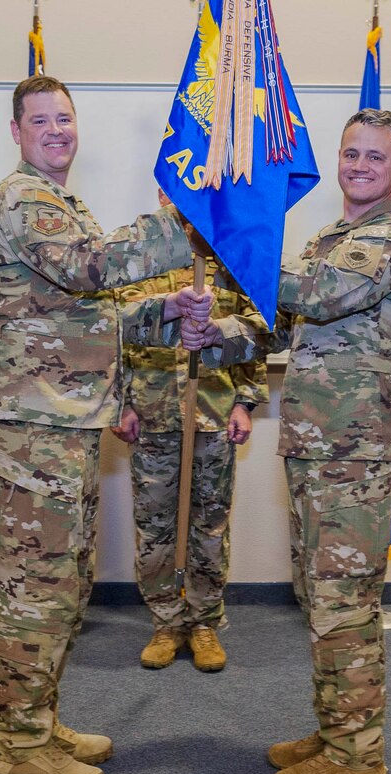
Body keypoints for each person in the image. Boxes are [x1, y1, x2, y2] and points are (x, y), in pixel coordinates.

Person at [183, 109, 391, 774]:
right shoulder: (331, 235)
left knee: (345, 602)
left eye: (374, 157)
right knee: (319, 596)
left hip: (354, 452)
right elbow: (280, 329)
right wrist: (213, 334)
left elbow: (322, 295)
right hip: (314, 447)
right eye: (350, 153)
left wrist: (237, 235)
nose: (358, 166)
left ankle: (357, 756)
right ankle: (336, 730)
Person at [0, 75, 212, 774]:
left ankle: (40, 724)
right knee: (35, 588)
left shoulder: (64, 204)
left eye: (65, 118)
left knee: (65, 583)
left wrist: (165, 309)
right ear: (16, 131)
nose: (56, 130)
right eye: (40, 120)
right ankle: (18, 746)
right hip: (33, 424)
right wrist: (184, 216)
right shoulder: (22, 200)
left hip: (64, 420)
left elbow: (85, 313)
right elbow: (92, 269)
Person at [111, 190, 269, 672]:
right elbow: (112, 331)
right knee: (155, 523)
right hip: (154, 411)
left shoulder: (228, 248)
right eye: (174, 186)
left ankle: (203, 622)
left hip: (214, 410)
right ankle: (165, 622)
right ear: (161, 188)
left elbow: (254, 331)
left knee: (209, 524)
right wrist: (123, 402)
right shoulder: (138, 251)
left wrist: (244, 403)